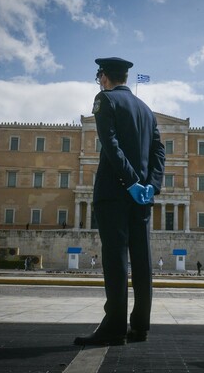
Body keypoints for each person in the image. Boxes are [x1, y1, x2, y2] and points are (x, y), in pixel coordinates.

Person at [74, 57, 165, 347]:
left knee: (116, 260)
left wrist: (131, 183)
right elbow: (159, 152)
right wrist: (150, 186)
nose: (99, 81)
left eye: (99, 76)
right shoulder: (147, 111)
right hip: (141, 199)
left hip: (115, 193)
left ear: (104, 77)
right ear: (125, 76)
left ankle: (114, 327)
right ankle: (140, 327)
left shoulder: (105, 100)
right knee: (142, 260)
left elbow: (110, 144)